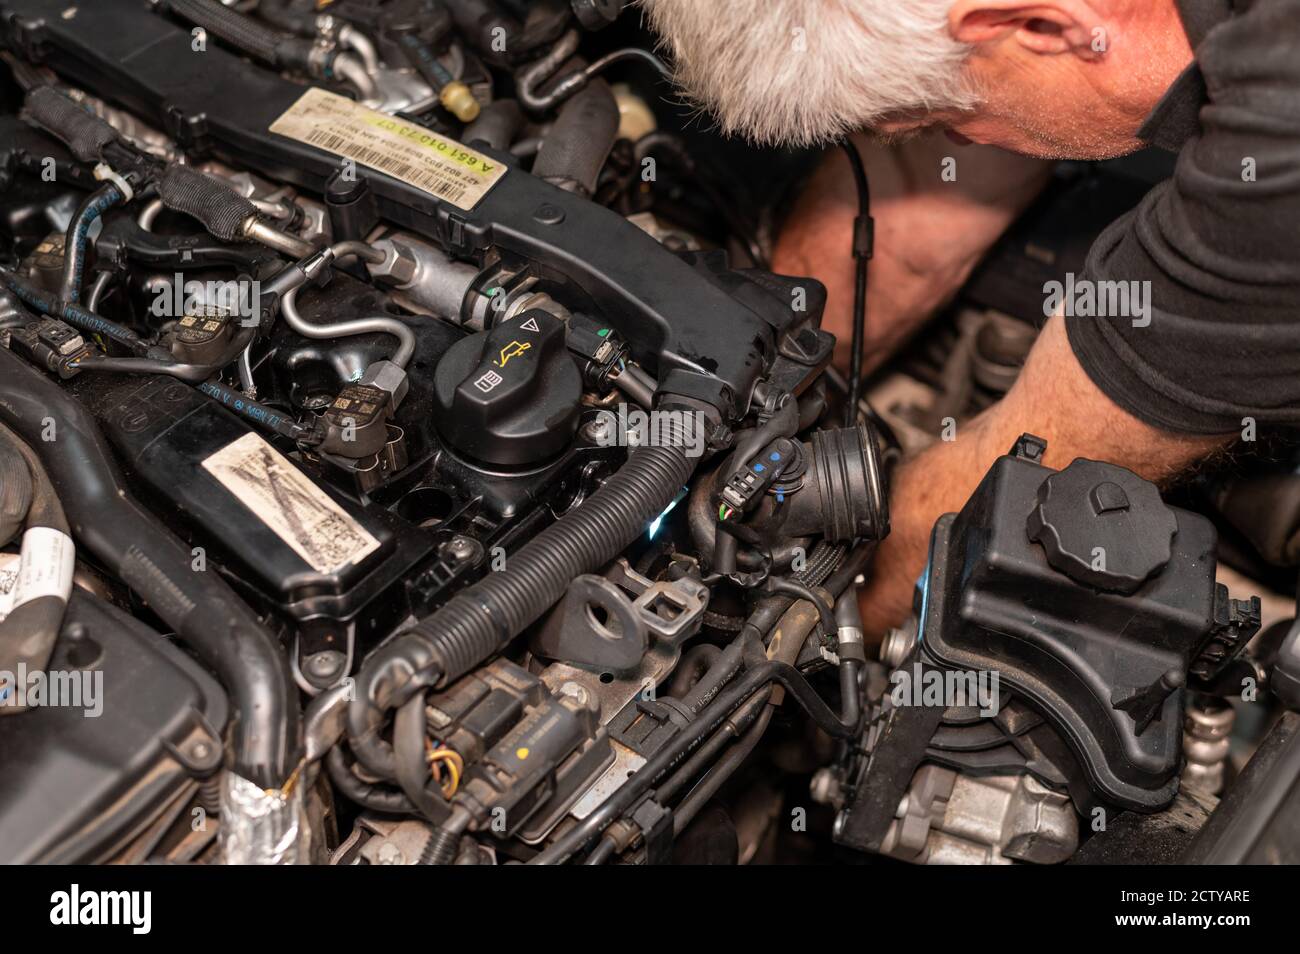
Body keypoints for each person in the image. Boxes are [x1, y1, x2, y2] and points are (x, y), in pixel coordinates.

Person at [642, 0, 1300, 635]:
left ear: (1043, 24)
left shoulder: (1277, 154)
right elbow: (923, 197)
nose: (949, 143)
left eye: (939, 124)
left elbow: (1026, 471)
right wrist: (761, 391)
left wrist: (797, 626)